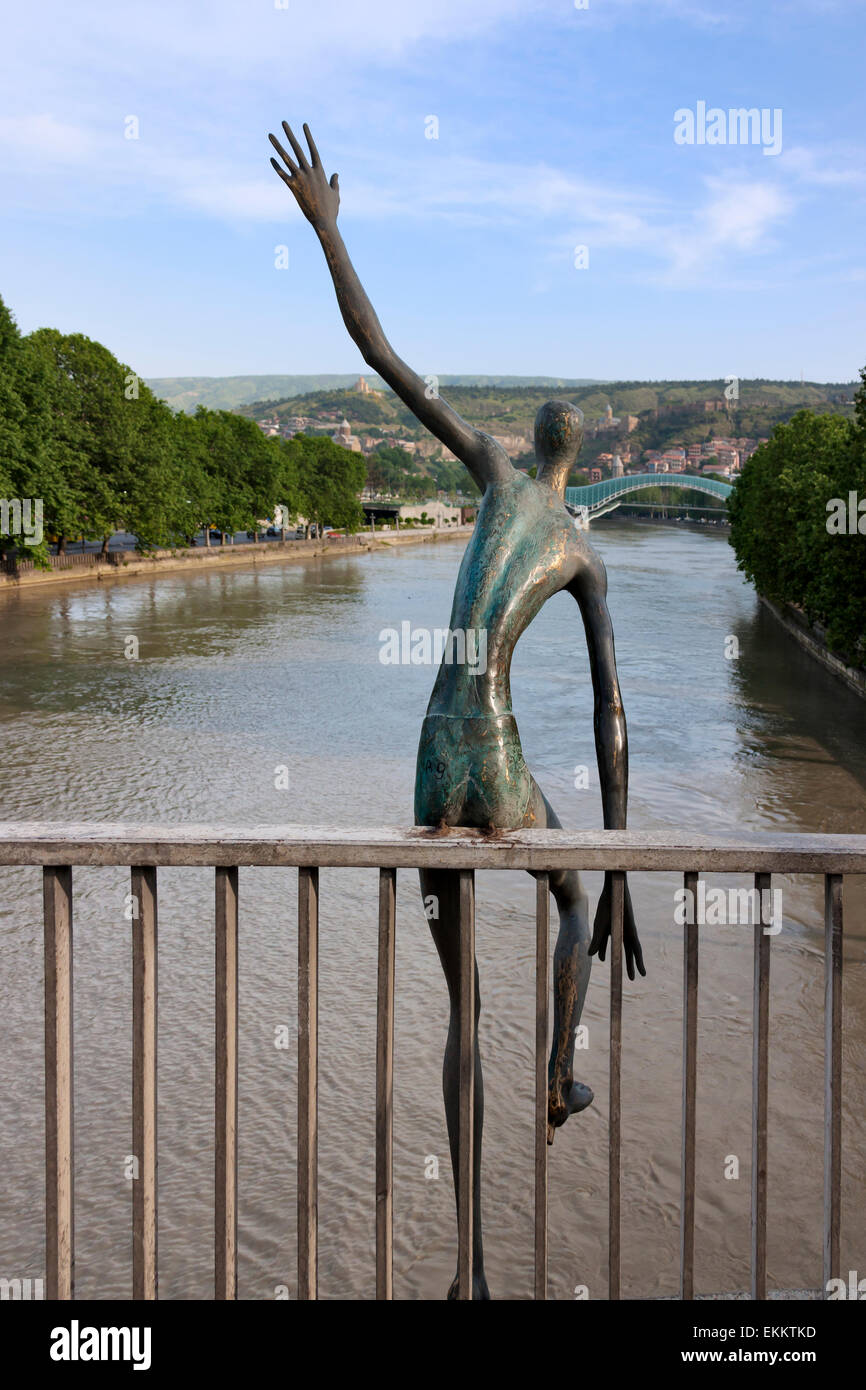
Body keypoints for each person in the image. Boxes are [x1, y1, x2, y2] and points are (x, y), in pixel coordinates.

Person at [270, 122, 645, 1300]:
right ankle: (555, 1074)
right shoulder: (583, 551)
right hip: (498, 761)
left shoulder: (482, 465)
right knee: (571, 899)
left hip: (434, 760)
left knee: (458, 1007)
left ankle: (469, 1274)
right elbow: (612, 718)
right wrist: (623, 862)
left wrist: (330, 232)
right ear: (577, 461)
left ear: (524, 442)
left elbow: (378, 351)